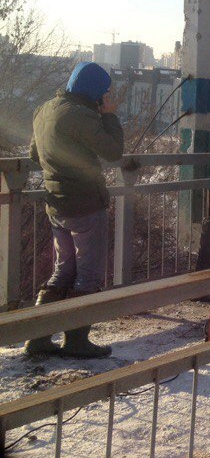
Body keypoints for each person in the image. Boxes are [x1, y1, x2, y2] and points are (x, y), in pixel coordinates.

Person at [25, 62, 124, 358]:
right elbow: (113, 151)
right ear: (95, 92)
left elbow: (33, 154)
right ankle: (77, 341)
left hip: (55, 205)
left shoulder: (44, 109)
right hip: (85, 205)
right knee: (88, 276)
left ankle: (37, 338)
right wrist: (109, 116)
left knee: (62, 270)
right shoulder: (82, 116)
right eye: (104, 93)